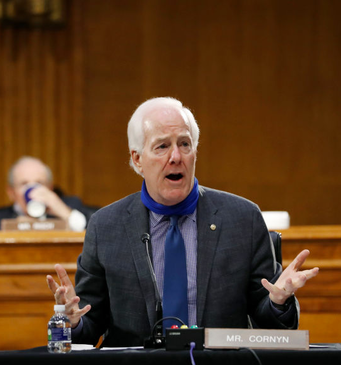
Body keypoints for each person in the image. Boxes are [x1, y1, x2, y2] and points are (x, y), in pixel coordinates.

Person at [46, 97, 319, 347]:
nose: (176, 157)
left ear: (195, 152)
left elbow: (272, 327)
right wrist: (72, 321)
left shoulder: (242, 219)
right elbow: (88, 327)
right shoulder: (106, 226)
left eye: (184, 144)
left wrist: (278, 301)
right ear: (137, 159)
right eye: (162, 146)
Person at [0, 156, 98, 231]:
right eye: (24, 184)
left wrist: (64, 212)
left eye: (39, 183)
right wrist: (17, 226)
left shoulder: (71, 206)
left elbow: (95, 235)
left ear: (50, 188)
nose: (33, 190)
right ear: (11, 192)